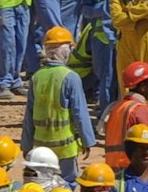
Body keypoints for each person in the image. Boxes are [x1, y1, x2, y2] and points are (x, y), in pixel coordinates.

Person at [21, 28, 96, 183]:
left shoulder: (37, 77)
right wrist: (87, 141)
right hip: (65, 148)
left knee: (43, 183)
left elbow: (28, 114)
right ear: (65, 50)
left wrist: (26, 144)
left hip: (41, 147)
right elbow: (79, 113)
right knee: (67, 185)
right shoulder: (71, 77)